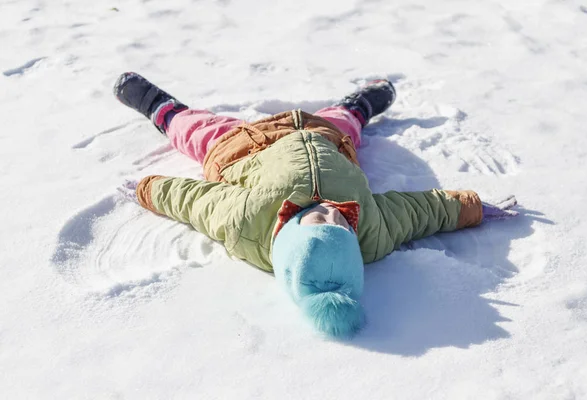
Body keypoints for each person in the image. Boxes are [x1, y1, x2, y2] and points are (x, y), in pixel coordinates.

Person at [114, 72, 518, 338]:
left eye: (321, 222)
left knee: (194, 130)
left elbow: (196, 201)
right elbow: (423, 211)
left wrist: (148, 188)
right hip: (327, 139)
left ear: (290, 240)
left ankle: (157, 105)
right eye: (340, 224)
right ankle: (360, 105)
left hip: (239, 146)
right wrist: (475, 207)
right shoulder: (372, 230)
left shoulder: (246, 222)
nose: (334, 213)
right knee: (344, 120)